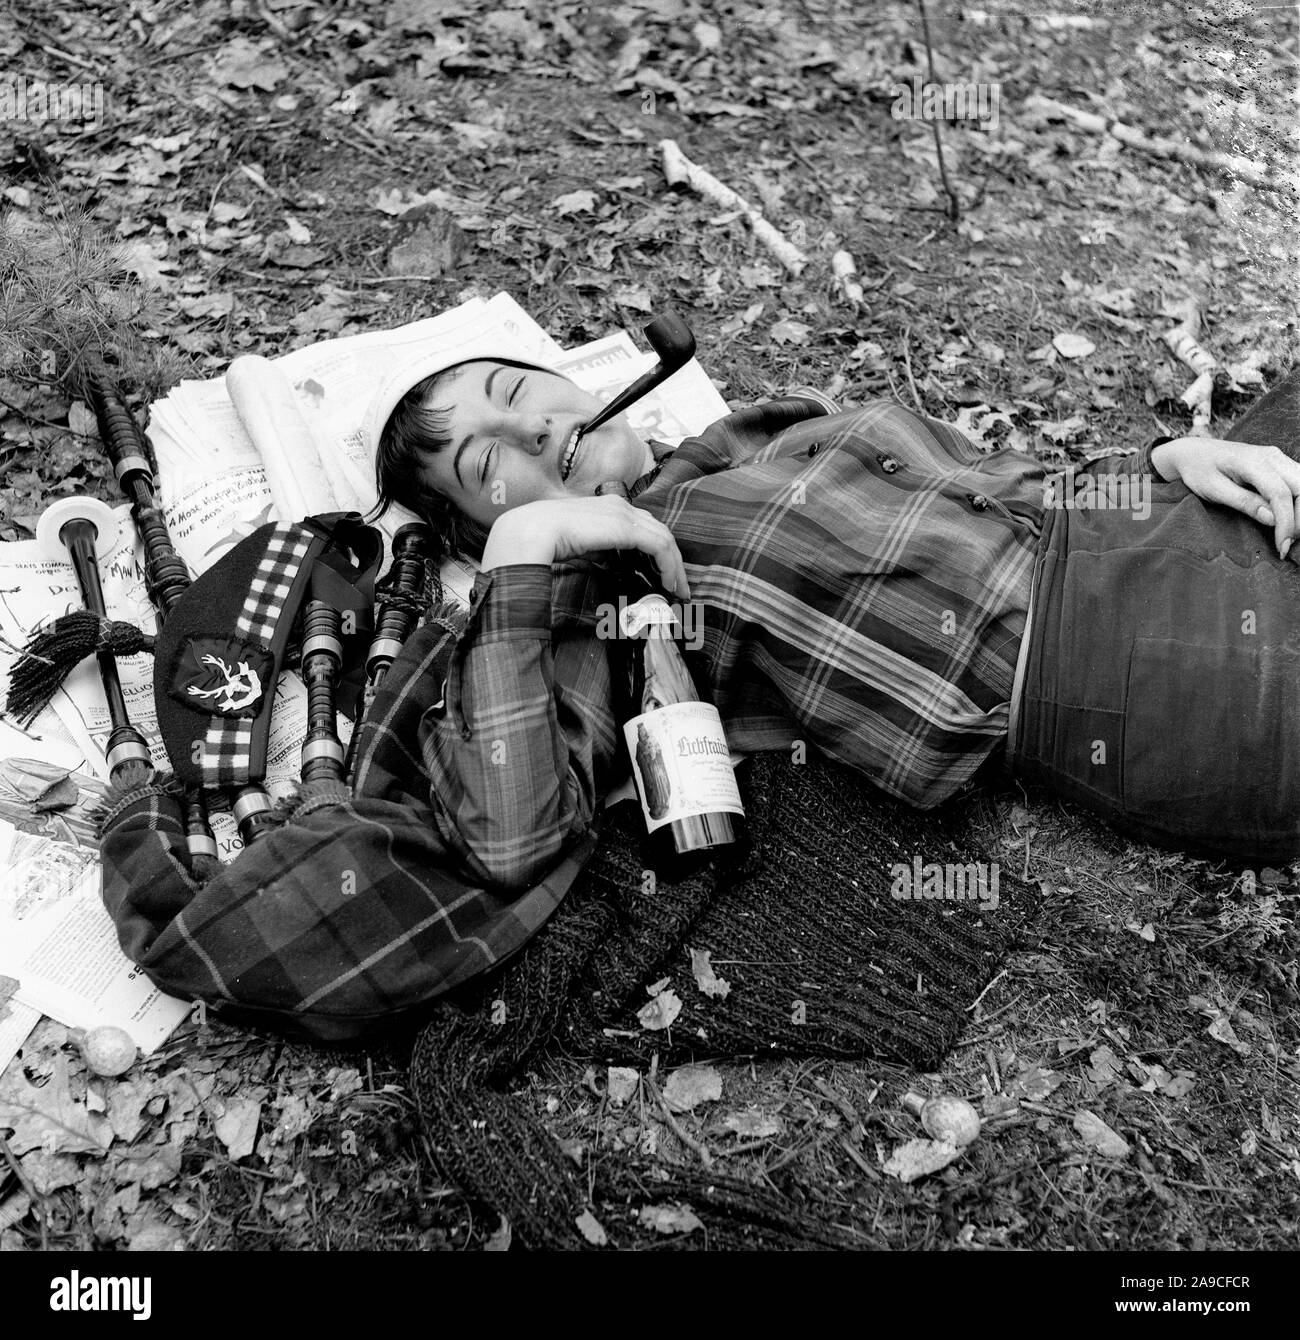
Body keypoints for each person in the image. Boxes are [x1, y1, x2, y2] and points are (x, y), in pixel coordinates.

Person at [361, 344, 1300, 889]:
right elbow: (510, 834)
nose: (527, 434)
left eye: (517, 396)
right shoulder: (610, 602)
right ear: (484, 529)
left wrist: (1163, 460)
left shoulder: (745, 436)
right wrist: (522, 560)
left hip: (1152, 519)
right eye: (489, 473)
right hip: (1114, 663)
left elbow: (998, 483)